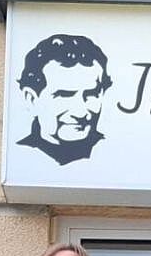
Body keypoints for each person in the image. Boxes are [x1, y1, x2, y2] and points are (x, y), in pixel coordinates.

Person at [17, 34, 113, 165]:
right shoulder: (21, 158)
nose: (80, 113)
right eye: (64, 95)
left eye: (92, 94)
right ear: (32, 99)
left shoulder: (114, 153)